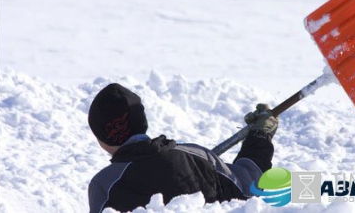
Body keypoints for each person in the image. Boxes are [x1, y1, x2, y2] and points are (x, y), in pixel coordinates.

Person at [87, 83, 278, 213]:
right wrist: (261, 135)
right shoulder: (197, 156)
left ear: (100, 137)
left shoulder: (104, 184)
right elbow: (250, 186)